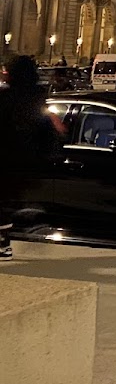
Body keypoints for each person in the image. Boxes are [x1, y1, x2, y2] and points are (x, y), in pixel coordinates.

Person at [0, 55, 63, 260]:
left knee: (3, 203)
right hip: (27, 160)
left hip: (6, 158)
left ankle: (5, 243)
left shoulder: (7, 98)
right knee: (6, 202)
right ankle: (6, 242)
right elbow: (45, 128)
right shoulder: (37, 97)